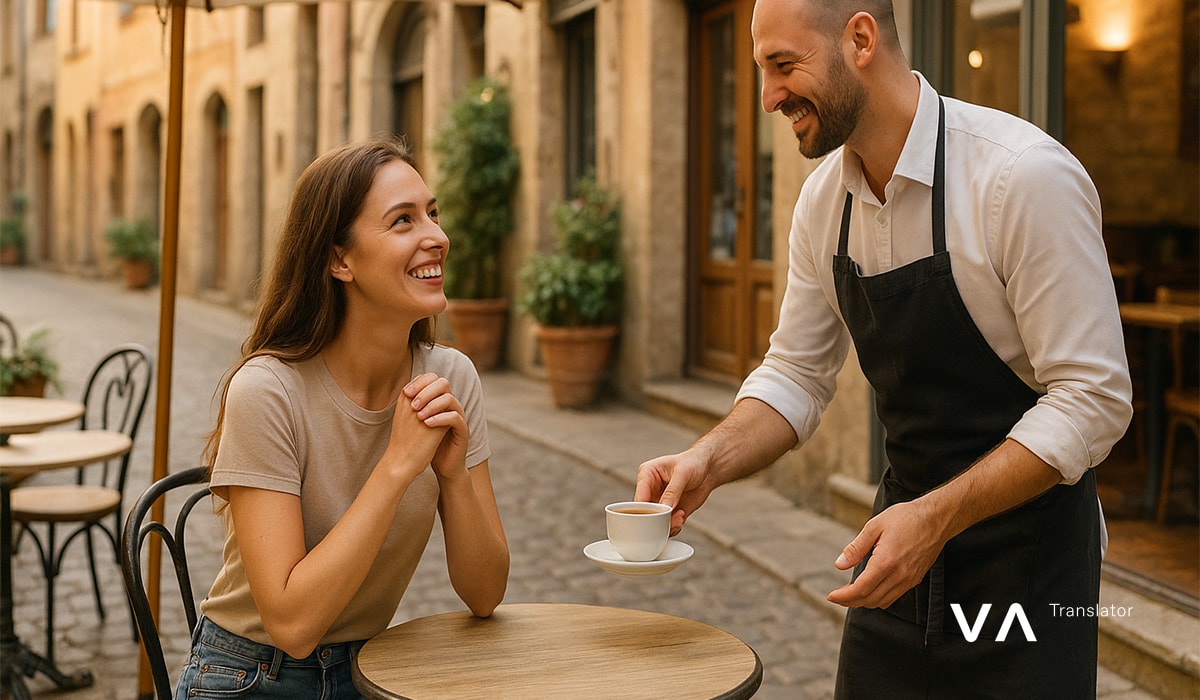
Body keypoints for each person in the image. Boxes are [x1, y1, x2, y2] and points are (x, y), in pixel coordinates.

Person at [635, 1, 1132, 697]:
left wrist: (934, 518)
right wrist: (706, 459)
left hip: (1025, 570)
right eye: (761, 70)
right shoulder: (820, 206)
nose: (770, 96)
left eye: (784, 65)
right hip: (893, 558)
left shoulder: (1021, 179)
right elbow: (798, 373)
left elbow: (1094, 399)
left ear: (860, 40)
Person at [176, 138, 509, 700]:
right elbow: (293, 625)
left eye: (432, 213)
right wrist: (397, 466)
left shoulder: (450, 377)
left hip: (376, 672)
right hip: (252, 677)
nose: (436, 237)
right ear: (339, 260)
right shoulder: (268, 391)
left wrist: (452, 476)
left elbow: (485, 593)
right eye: (402, 221)